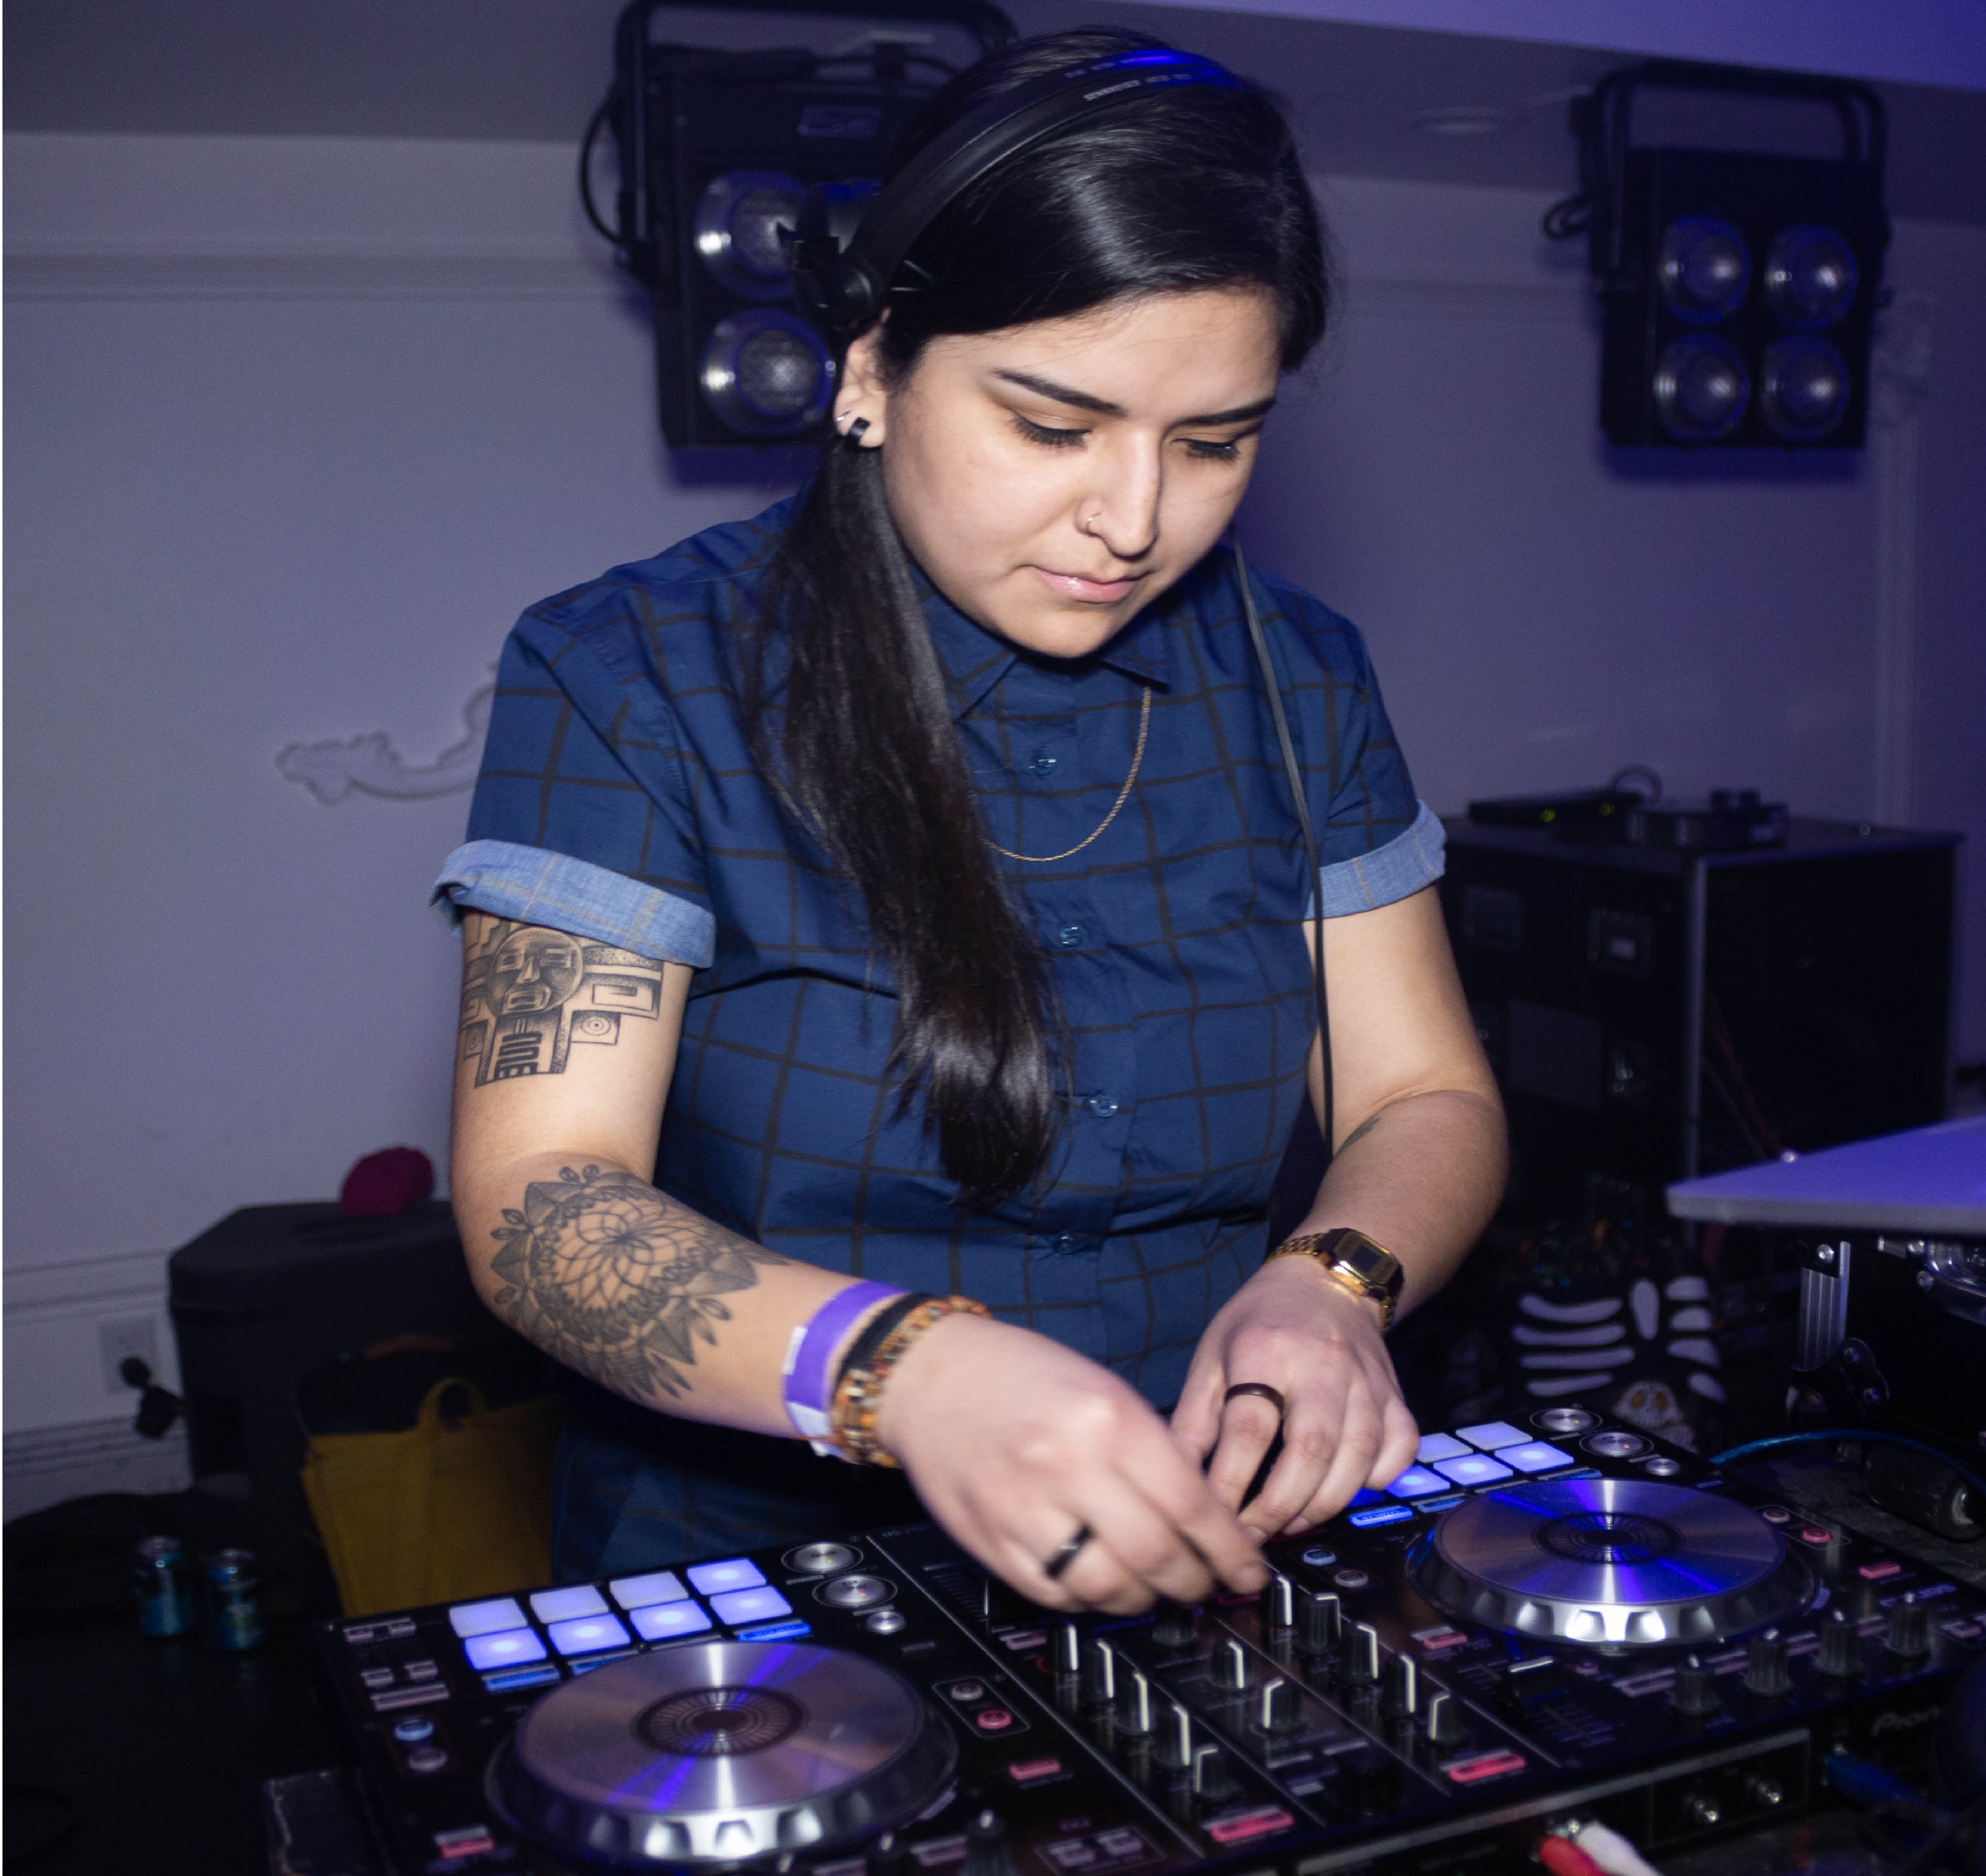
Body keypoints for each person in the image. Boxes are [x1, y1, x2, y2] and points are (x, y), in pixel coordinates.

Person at [437, 30, 1502, 1611]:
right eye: (1054, 428)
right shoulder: (634, 673)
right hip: (761, 1569)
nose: (1133, 520)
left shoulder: (1302, 673)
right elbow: (540, 1204)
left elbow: (1422, 1096)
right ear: (870, 369)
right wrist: (901, 1370)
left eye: (1213, 443)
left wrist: (1326, 1287)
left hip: (1205, 1525)